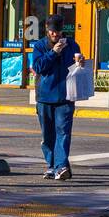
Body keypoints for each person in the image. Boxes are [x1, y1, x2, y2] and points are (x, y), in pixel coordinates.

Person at [31, 14, 83, 181]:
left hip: (66, 96)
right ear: (47, 28)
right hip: (45, 96)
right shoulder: (40, 46)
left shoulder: (72, 45)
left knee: (63, 132)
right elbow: (38, 67)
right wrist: (53, 53)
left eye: (58, 31)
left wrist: (81, 62)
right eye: (52, 31)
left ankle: (61, 167)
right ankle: (52, 166)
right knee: (48, 136)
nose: (55, 34)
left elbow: (76, 68)